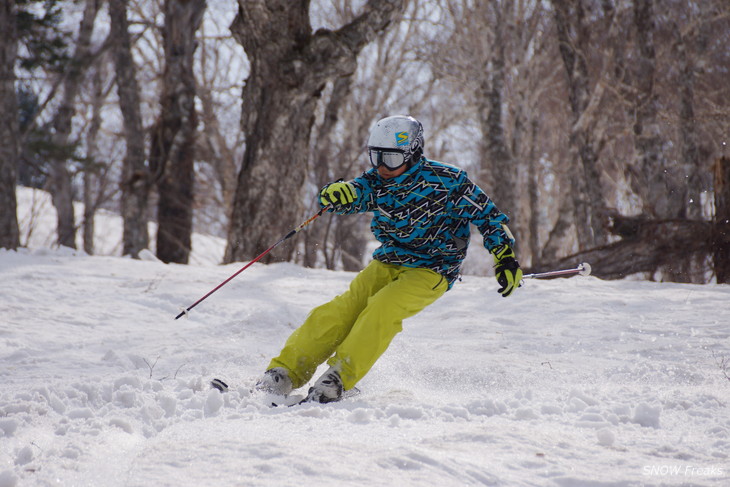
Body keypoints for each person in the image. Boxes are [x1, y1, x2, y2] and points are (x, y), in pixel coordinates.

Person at [255, 115, 522, 403]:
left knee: (382, 308)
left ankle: (339, 377)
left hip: (432, 269)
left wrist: (504, 257)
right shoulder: (377, 181)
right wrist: (333, 194)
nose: (382, 166)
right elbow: (352, 196)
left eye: (391, 159)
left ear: (412, 153)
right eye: (376, 157)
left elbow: (490, 219)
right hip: (388, 262)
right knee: (340, 311)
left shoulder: (449, 182)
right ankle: (285, 372)